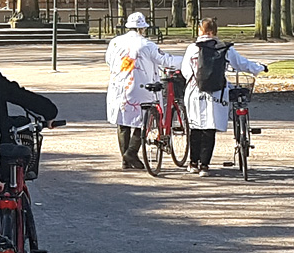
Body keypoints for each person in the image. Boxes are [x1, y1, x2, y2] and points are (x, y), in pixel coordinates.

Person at [179, 18, 268, 176]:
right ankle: (204, 165)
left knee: (195, 127)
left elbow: (186, 71)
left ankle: (193, 163)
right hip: (217, 92)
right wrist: (259, 67)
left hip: (195, 91)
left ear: (202, 31)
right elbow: (241, 64)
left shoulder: (192, 48)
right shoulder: (225, 48)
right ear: (214, 32)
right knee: (210, 127)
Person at [105, 12, 185, 169]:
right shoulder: (147, 45)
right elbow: (166, 61)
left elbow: (108, 60)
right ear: (142, 29)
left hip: (118, 86)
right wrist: (185, 60)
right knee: (143, 121)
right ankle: (131, 153)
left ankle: (125, 158)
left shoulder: (114, 43)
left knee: (123, 122)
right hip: (139, 87)